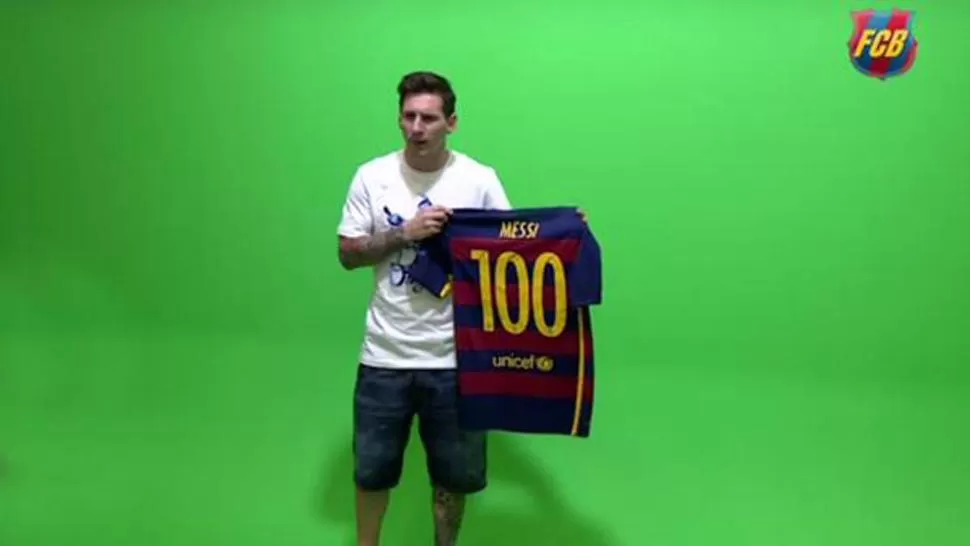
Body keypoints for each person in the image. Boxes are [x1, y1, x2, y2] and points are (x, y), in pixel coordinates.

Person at [335, 71, 512, 546]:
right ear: (399, 118)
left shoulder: (479, 180)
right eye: (409, 116)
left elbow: (514, 247)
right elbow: (348, 253)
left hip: (456, 361)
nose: (417, 127)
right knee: (371, 473)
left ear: (451, 123)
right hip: (384, 357)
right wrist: (403, 233)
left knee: (454, 478)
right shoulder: (372, 176)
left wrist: (565, 230)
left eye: (429, 118)